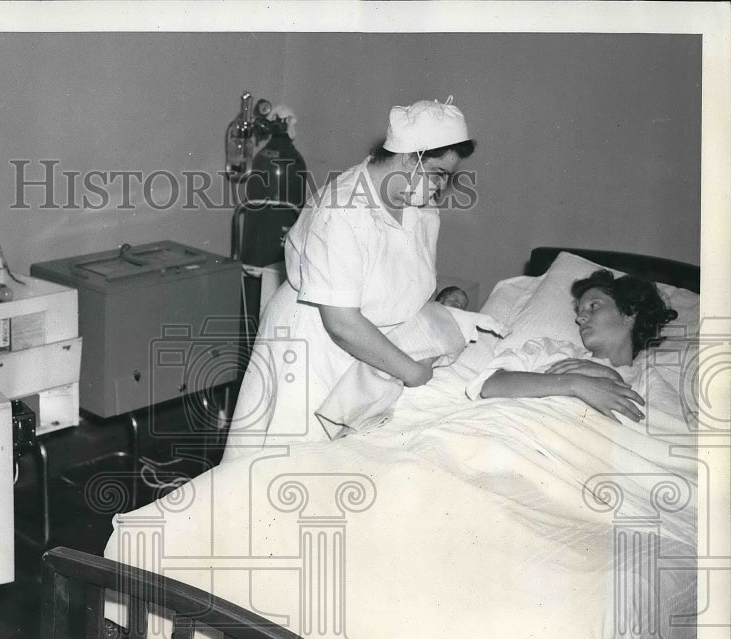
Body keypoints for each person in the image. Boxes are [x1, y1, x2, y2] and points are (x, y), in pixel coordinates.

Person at [223, 98, 476, 462]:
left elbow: (405, 283)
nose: (440, 188)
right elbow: (341, 323)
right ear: (409, 156)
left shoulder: (421, 207)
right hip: (310, 351)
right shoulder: (342, 209)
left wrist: (437, 309)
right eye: (438, 174)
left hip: (370, 358)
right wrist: (412, 372)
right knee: (281, 476)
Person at [467, 270, 678, 422]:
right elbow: (490, 386)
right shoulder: (552, 350)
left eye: (593, 306)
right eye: (579, 311)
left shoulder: (647, 381)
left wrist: (613, 378)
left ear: (630, 312)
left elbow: (655, 436)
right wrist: (576, 384)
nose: (580, 318)